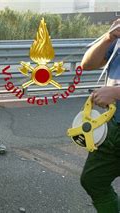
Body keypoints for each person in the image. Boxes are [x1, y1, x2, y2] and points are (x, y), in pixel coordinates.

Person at [80, 18, 120, 212]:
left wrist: (117, 92)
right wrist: (108, 37)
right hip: (113, 124)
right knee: (93, 179)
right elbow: (87, 64)